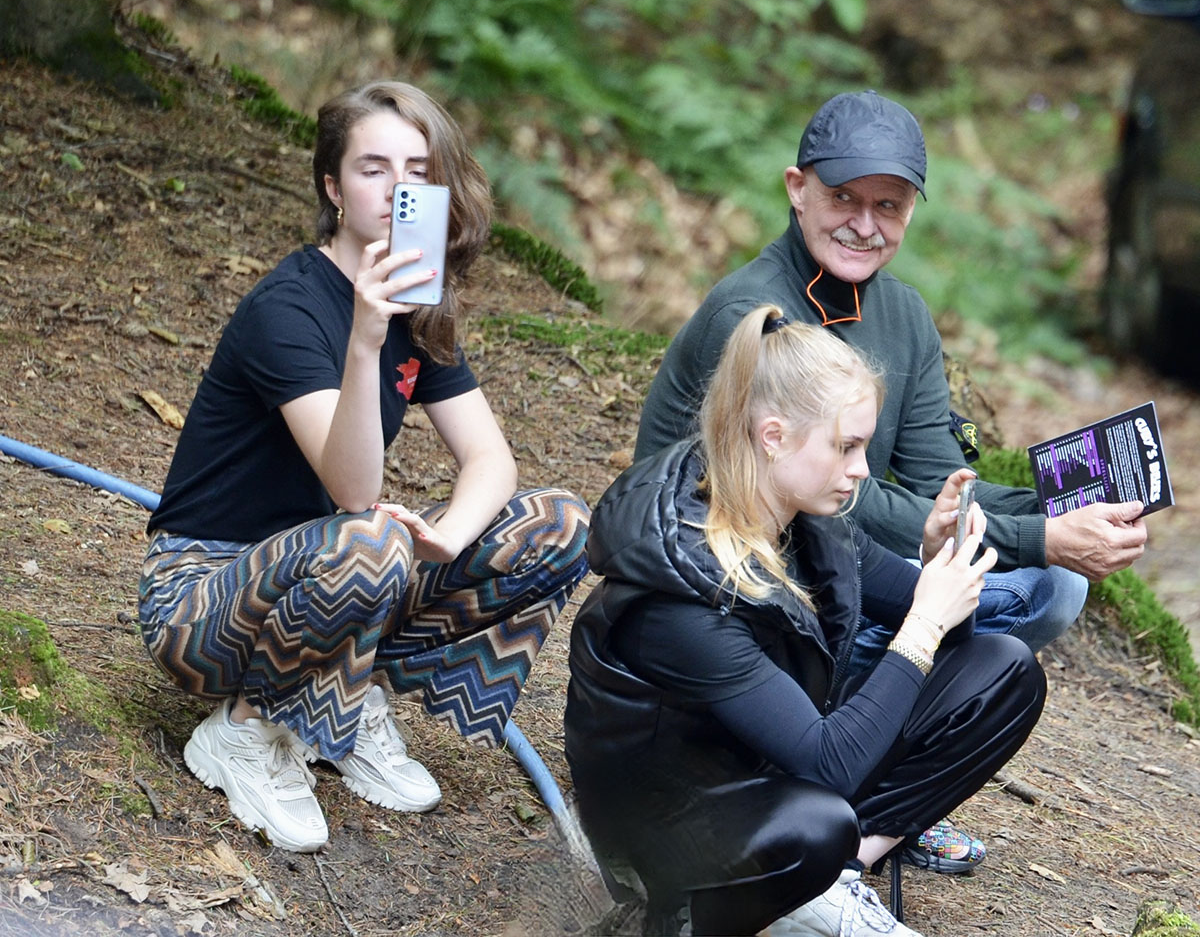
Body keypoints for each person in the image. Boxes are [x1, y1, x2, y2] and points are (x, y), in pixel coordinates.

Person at [633, 88, 1147, 873]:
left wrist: (1070, 499)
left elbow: (942, 484)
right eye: (843, 198)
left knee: (1051, 588)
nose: (865, 225)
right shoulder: (755, 316)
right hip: (736, 588)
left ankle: (885, 776)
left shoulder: (902, 315)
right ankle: (843, 763)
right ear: (796, 189)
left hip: (835, 562)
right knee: (1004, 584)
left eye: (890, 206)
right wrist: (1038, 534)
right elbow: (849, 499)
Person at [138, 80, 590, 853]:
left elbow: (490, 459)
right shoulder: (289, 308)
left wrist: (451, 534)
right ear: (333, 188)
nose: (398, 189)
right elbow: (353, 490)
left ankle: (347, 701)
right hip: (203, 597)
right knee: (369, 535)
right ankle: (246, 731)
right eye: (374, 168)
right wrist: (366, 338)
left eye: (418, 170)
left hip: (337, 574)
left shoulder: (418, 304)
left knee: (559, 525)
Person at [566, 306, 1047, 937]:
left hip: (764, 767)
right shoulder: (682, 594)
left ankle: (837, 876)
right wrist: (923, 623)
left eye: (863, 446)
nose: (862, 470)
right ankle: (690, 913)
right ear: (773, 436)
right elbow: (828, 765)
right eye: (846, 446)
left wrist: (938, 561)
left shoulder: (806, 518)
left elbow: (954, 634)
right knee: (816, 819)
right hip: (665, 824)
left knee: (1004, 670)